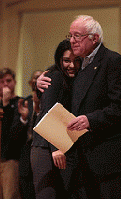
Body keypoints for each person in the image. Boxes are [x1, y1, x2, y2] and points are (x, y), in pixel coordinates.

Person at [37, 15, 121, 199]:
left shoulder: (112, 61)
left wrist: (90, 120)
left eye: (77, 36)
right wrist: (38, 84)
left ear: (94, 38)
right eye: (70, 35)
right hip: (82, 160)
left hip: (108, 159)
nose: (71, 41)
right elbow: (62, 88)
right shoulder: (81, 66)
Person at [31, 39, 81, 199]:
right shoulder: (55, 76)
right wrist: (56, 148)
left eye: (76, 61)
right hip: (46, 147)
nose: (71, 65)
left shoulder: (75, 81)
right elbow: (48, 112)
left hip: (62, 147)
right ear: (59, 60)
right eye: (67, 60)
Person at [0, 68, 29, 199]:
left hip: (11, 159)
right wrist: (0, 105)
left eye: (8, 80)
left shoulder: (20, 102)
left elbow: (14, 134)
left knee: (10, 195)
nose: (5, 84)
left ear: (15, 82)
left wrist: (6, 104)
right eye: (2, 81)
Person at [19, 70, 43, 199]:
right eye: (35, 78)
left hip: (43, 157)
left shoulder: (49, 100)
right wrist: (23, 119)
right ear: (30, 82)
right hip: (26, 160)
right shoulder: (24, 102)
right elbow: (15, 136)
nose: (37, 80)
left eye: (40, 77)